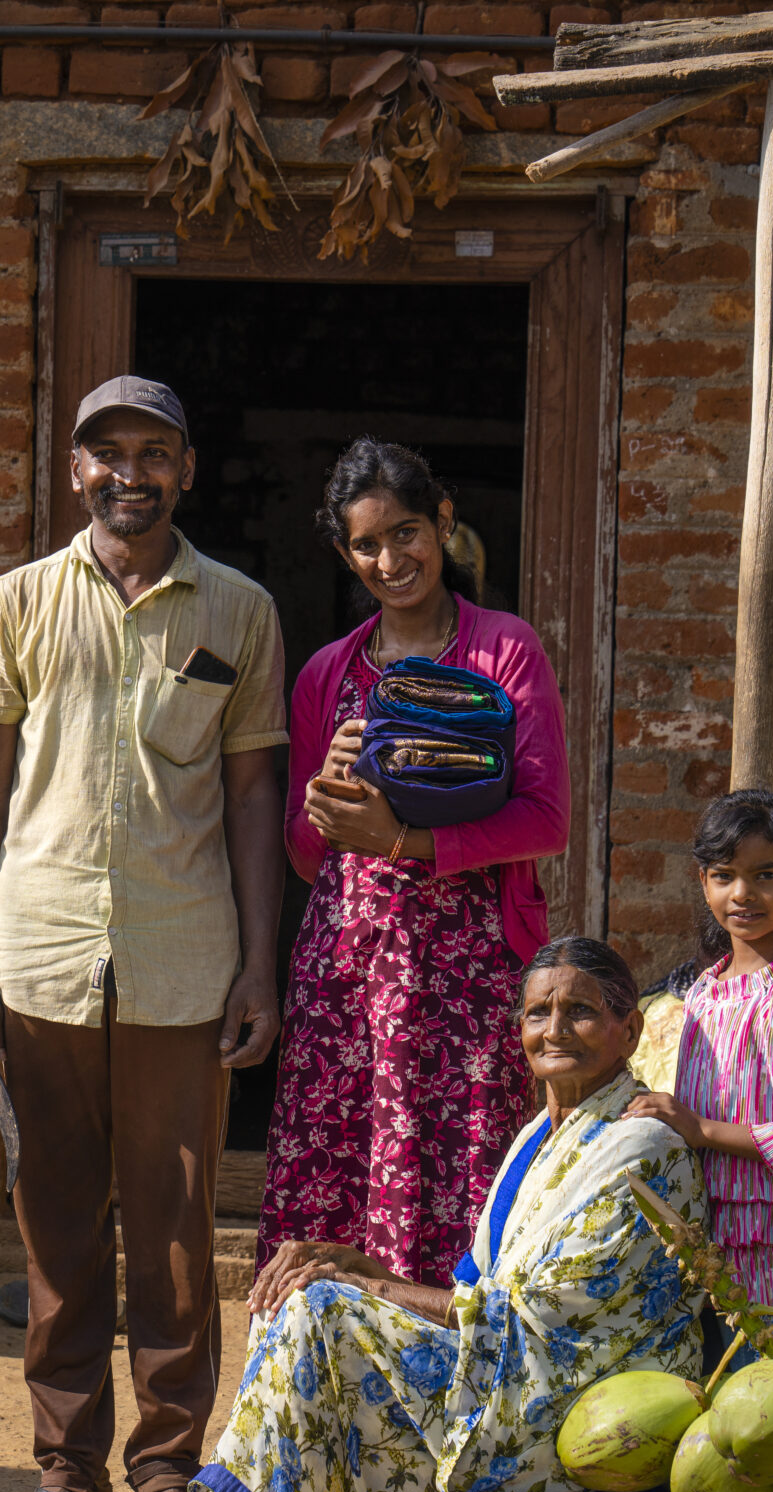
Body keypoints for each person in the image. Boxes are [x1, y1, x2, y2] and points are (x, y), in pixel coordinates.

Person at [123, 938, 705, 1492]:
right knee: (300, 1293)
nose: (554, 1029)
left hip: (572, 1403)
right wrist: (355, 1264)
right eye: (538, 1012)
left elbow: (539, 1321)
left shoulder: (640, 1144)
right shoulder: (541, 1134)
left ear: (630, 1031)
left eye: (581, 1011)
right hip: (514, 1366)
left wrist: (365, 1283)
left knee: (324, 1313)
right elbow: (480, 1290)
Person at [0, 376, 289, 1492]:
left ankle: (167, 1468)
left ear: (186, 470)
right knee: (59, 1227)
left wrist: (258, 966)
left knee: (177, 1227)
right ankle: (64, 1465)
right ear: (73, 472)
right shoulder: (16, 604)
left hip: (183, 958)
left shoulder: (237, 610)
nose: (127, 474)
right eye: (105, 455)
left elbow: (252, 796)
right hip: (38, 957)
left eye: (152, 453)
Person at [261, 439, 570, 1290]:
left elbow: (546, 820)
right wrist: (323, 803)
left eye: (407, 532)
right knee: (338, 1170)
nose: (391, 560)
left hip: (465, 967)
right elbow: (304, 850)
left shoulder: (503, 651)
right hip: (348, 973)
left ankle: (444, 1382)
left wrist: (405, 842)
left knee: (460, 1168)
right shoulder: (329, 672)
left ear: (442, 522)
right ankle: (322, 1380)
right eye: (367, 544)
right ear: (344, 552)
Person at [628, 789, 773, 1373]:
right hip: (712, 1256)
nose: (742, 894)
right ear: (703, 882)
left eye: (765, 875)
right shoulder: (706, 990)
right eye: (724, 875)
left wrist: (701, 1128)